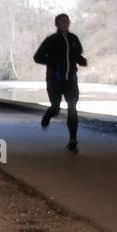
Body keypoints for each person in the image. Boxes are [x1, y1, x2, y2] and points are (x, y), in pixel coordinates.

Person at [33, 13, 88, 152]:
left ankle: (73, 140)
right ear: (56, 24)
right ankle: (49, 114)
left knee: (72, 108)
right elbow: (37, 57)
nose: (65, 23)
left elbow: (76, 55)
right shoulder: (51, 40)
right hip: (54, 79)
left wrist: (82, 61)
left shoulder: (73, 38)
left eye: (67, 21)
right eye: (62, 21)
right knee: (56, 108)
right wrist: (53, 63)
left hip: (71, 80)